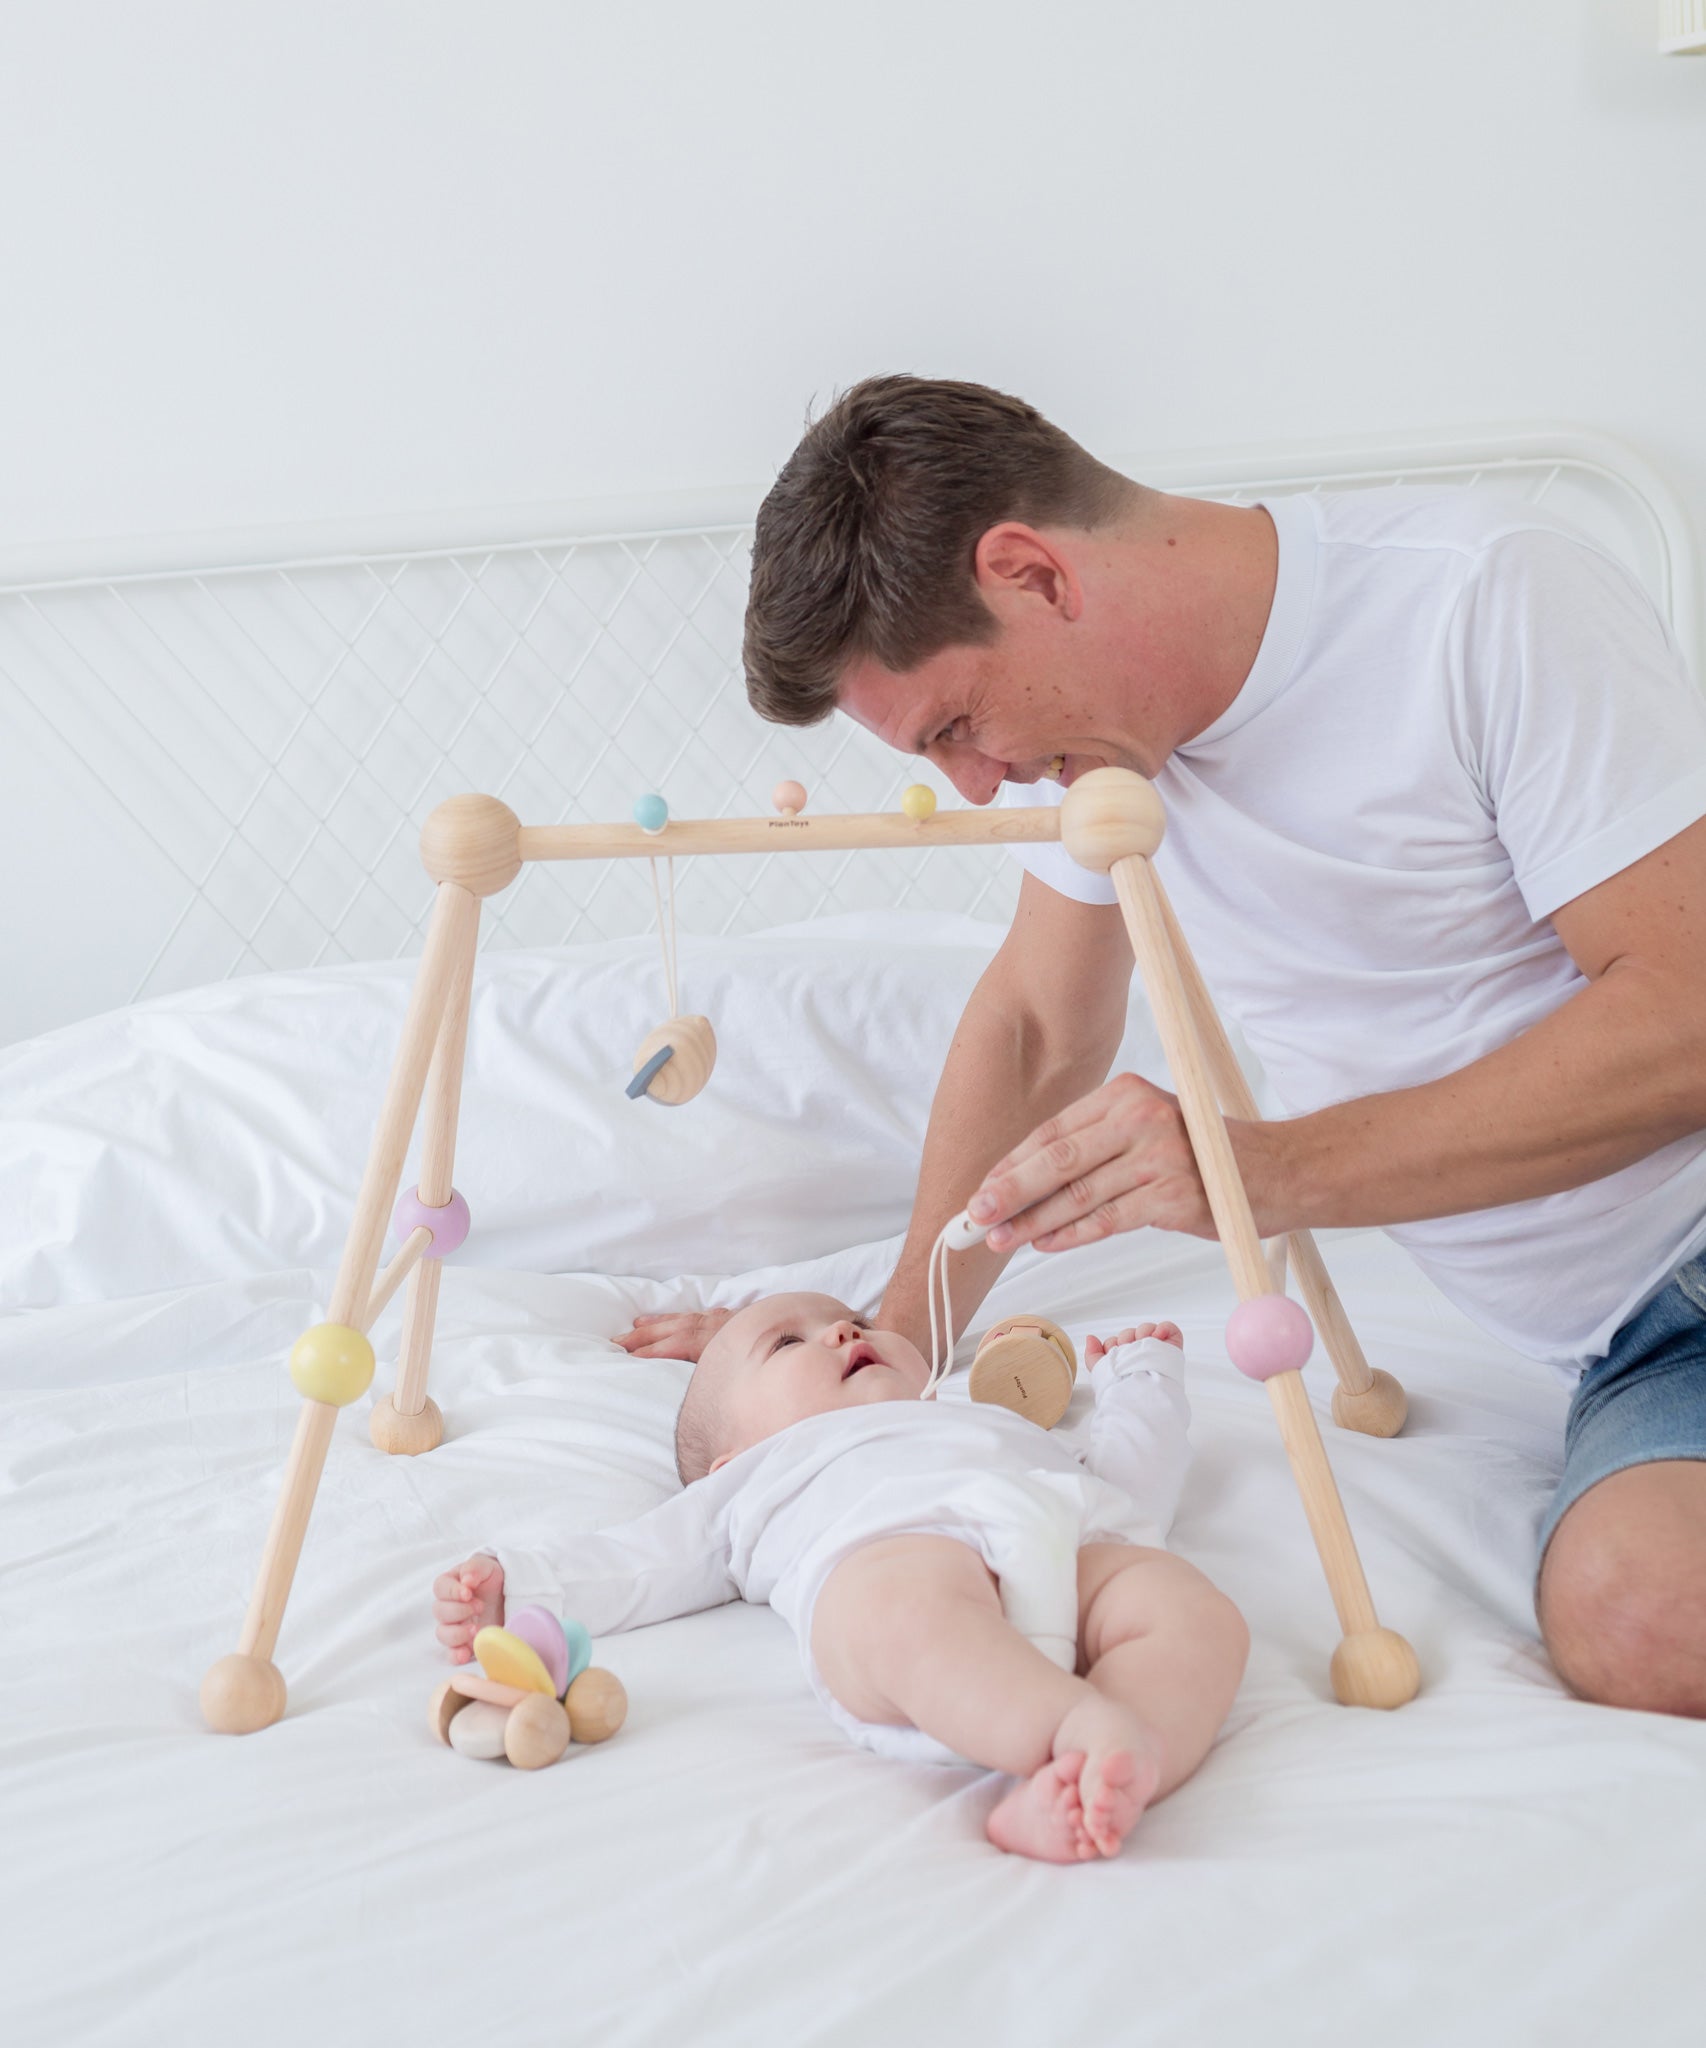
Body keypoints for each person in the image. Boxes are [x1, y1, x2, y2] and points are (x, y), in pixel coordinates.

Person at [622, 374, 1706, 1719]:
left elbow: (1684, 1017)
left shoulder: (1480, 599)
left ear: (1031, 575)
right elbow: (1032, 1023)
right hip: (1636, 1345)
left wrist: (1259, 1173)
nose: (972, 784)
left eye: (957, 724)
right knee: (1638, 1613)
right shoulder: (1109, 761)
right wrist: (885, 1342)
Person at [435, 1294, 1248, 1862]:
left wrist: (1142, 1384)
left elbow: (1131, 1484)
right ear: (733, 1455)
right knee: (905, 1616)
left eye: (852, 1320)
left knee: (1191, 1611)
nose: (838, 1333)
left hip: (1066, 1533)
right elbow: (643, 1557)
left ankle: (1132, 1748)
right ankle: (1079, 1739)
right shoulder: (753, 1480)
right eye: (787, 1344)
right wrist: (521, 1586)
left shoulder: (983, 1416)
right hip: (895, 1557)